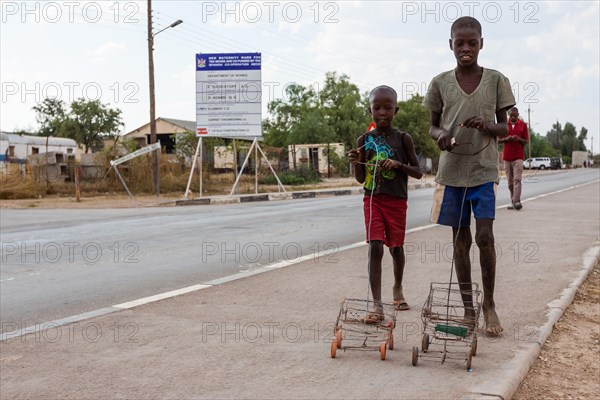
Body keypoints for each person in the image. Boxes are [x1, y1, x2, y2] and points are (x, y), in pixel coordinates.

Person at [423, 16, 515, 336]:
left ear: (481, 44)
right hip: (451, 171)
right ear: (450, 45)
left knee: (484, 237)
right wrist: (440, 137)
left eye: (471, 43)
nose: (465, 48)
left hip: (484, 168)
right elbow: (432, 125)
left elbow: (505, 127)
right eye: (459, 43)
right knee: (460, 241)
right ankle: (467, 310)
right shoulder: (439, 83)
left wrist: (487, 125)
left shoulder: (496, 80)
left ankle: (489, 305)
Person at [347, 85, 422, 322]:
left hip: (396, 201)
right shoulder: (364, 140)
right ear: (369, 110)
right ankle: (376, 305)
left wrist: (398, 165)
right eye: (376, 108)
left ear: (395, 110)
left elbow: (418, 172)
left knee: (396, 248)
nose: (382, 112)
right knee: (375, 247)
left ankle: (397, 287)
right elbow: (360, 178)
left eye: (387, 108)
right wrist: (355, 161)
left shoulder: (403, 138)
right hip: (372, 199)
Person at [499, 107, 529, 210]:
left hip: (518, 157)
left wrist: (518, 139)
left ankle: (517, 201)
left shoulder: (523, 125)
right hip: (507, 157)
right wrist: (507, 139)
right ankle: (513, 201)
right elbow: (498, 140)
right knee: (510, 182)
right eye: (511, 115)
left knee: (517, 179)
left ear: (518, 115)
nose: (512, 117)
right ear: (508, 115)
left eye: (514, 116)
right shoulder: (504, 126)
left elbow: (526, 141)